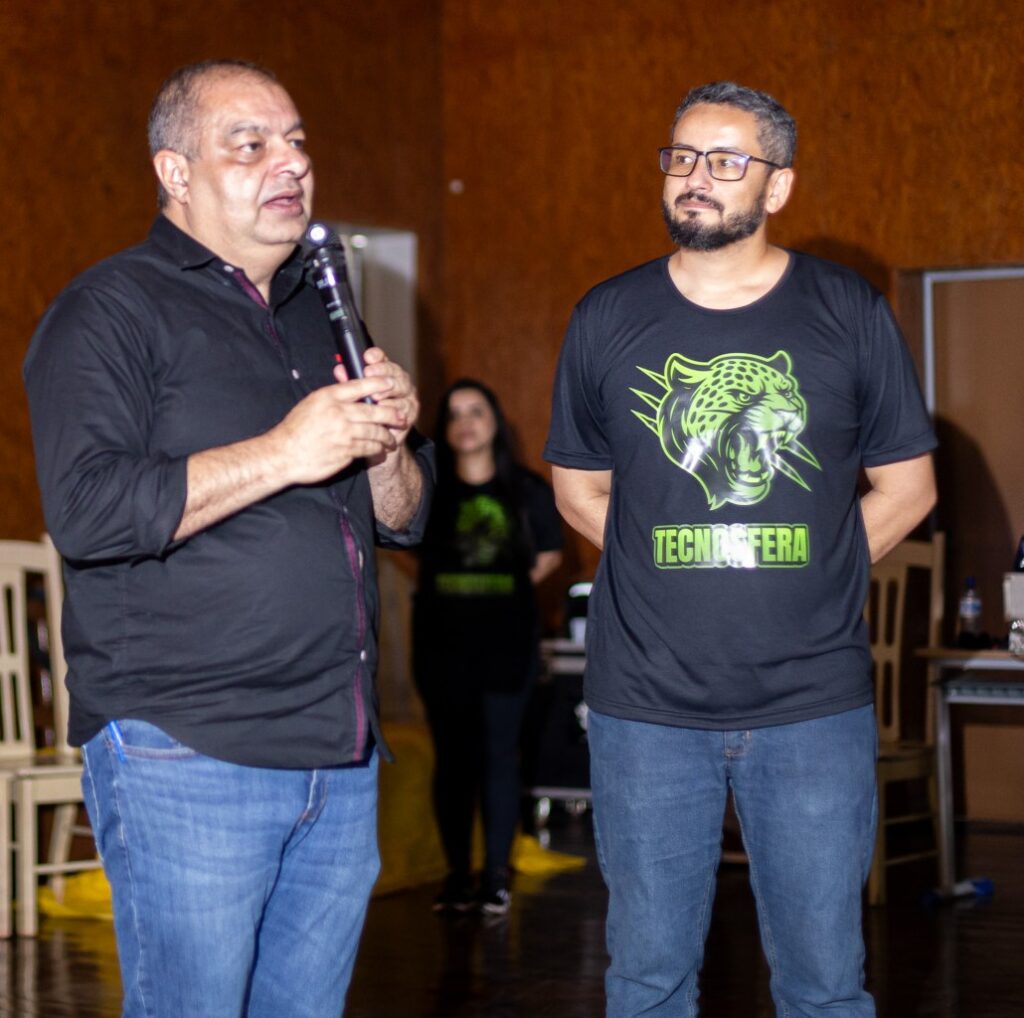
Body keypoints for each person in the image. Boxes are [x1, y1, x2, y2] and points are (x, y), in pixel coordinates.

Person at [23, 60, 434, 1018]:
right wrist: (287, 450)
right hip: (189, 749)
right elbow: (86, 511)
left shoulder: (317, 307)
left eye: (295, 142)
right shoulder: (109, 310)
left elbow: (405, 518)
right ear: (174, 173)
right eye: (248, 145)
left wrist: (386, 443)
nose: (286, 162)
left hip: (337, 751)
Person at [544, 81, 937, 1016]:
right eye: (680, 156)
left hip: (811, 704)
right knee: (646, 981)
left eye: (726, 161)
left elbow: (909, 487)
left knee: (824, 985)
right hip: (646, 709)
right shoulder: (607, 317)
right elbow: (577, 488)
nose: (696, 178)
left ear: (780, 185)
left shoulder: (847, 311)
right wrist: (679, 552)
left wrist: (817, 567)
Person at [413, 379, 563, 915]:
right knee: (452, 760)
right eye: (454, 413)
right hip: (440, 645)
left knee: (501, 756)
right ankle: (458, 876)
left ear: (495, 420)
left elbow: (550, 552)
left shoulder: (526, 489)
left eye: (476, 410)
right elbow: (404, 548)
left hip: (507, 642)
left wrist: (508, 583)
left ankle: (495, 878)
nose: (466, 422)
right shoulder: (427, 488)